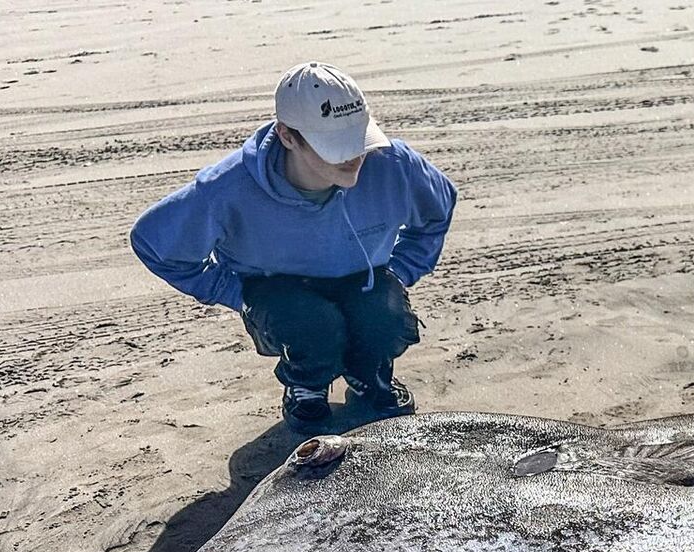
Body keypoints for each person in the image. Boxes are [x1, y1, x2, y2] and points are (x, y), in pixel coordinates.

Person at [130, 62, 458, 434]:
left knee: (384, 316)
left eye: (359, 138)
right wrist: (236, 293)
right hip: (279, 292)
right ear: (288, 136)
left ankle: (369, 375)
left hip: (364, 280)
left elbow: (439, 207)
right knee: (313, 327)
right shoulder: (227, 188)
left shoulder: (393, 164)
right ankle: (307, 386)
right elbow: (154, 244)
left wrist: (403, 271)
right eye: (334, 145)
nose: (354, 157)